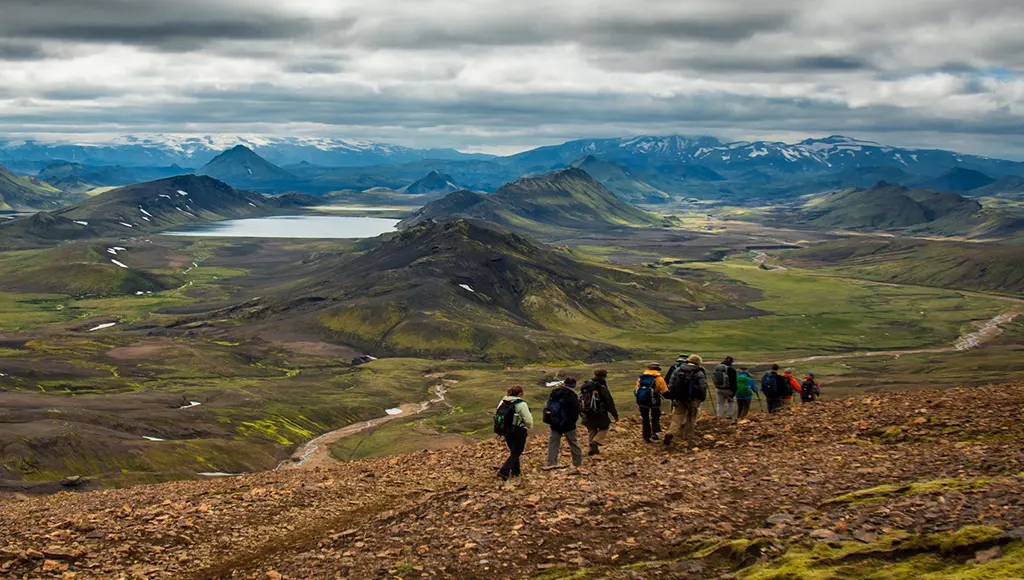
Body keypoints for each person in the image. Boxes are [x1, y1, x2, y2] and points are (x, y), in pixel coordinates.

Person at [664, 354, 708, 445]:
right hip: (694, 399)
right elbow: (702, 387)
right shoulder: (699, 372)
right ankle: (688, 437)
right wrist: (702, 398)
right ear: (698, 362)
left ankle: (670, 433)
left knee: (677, 416)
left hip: (680, 398)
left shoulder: (678, 370)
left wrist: (674, 396)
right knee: (691, 417)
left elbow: (671, 384)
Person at [543, 377, 583, 470]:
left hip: (555, 422)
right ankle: (577, 463)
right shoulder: (572, 395)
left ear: (564, 383)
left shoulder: (555, 392)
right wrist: (573, 421)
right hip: (568, 424)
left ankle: (551, 463)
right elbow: (575, 411)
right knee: (573, 443)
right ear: (573, 385)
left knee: (553, 443)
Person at [495, 385, 533, 480]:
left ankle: (516, 472)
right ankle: (504, 471)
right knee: (517, 451)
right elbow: (528, 420)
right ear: (520, 394)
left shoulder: (503, 401)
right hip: (519, 430)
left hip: (506, 430)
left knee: (513, 451)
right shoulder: (521, 404)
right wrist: (529, 426)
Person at [580, 370, 619, 456]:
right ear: (604, 376)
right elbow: (609, 403)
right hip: (600, 413)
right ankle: (595, 441)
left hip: (587, 412)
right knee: (604, 428)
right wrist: (615, 415)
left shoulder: (586, 385)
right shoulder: (601, 387)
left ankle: (592, 450)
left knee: (592, 429)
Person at [634, 363, 669, 443]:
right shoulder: (659, 378)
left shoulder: (641, 378)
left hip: (642, 401)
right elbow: (664, 391)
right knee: (655, 416)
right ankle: (655, 433)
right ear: (657, 370)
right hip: (654, 401)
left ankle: (646, 436)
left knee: (645, 418)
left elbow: (636, 389)